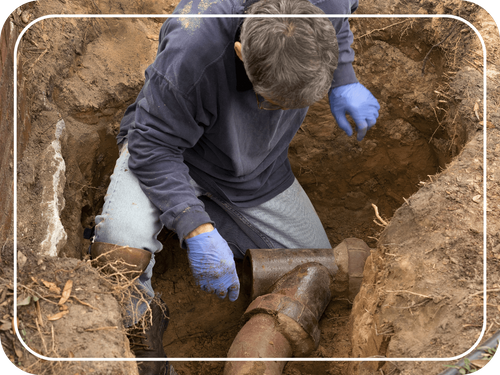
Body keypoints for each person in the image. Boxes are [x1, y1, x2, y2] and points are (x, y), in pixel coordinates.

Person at [89, 0, 379, 374]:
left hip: (254, 170)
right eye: (270, 102)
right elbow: (153, 145)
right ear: (241, 53)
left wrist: (344, 80)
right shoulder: (193, 47)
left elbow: (339, 23)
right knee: (119, 255)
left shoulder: (327, 2)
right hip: (170, 153)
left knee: (318, 270)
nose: (277, 108)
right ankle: (144, 358)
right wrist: (196, 228)